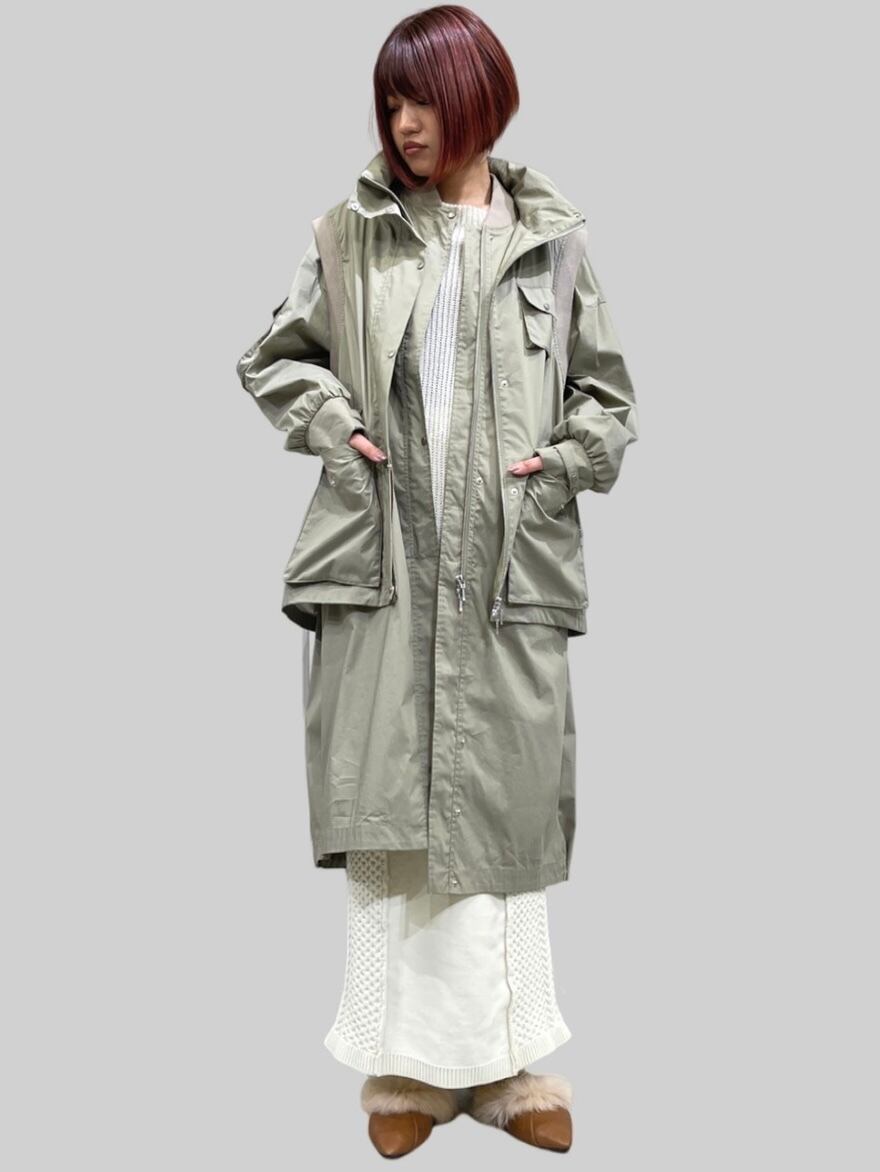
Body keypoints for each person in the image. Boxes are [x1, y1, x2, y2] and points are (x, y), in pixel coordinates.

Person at [235, 4, 638, 1157]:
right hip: (384, 560)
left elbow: (609, 396)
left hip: (507, 566)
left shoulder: (555, 244)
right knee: (394, 810)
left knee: (497, 814)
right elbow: (274, 358)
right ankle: (402, 1073)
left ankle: (510, 1071)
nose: (405, 122)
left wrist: (564, 463)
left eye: (424, 98)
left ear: (479, 99)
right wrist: (333, 426)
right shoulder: (346, 233)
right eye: (391, 101)